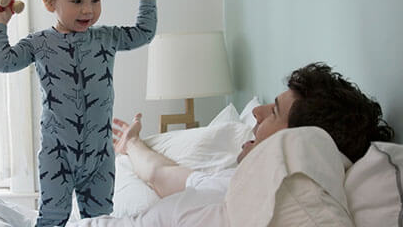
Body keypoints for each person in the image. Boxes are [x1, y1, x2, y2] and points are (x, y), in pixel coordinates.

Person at [70, 62, 395, 226]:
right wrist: (133, 143)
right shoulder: (237, 182)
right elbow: (160, 174)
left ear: (296, 141)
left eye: (274, 112)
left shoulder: (279, 196)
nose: (256, 111)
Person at [0, 0, 158, 226]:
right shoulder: (39, 43)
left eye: (95, 0)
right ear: (48, 0)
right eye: (77, 1)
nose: (87, 10)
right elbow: (3, 61)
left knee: (101, 219)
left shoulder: (106, 38)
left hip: (100, 156)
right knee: (53, 218)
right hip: (58, 155)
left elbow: (144, 33)